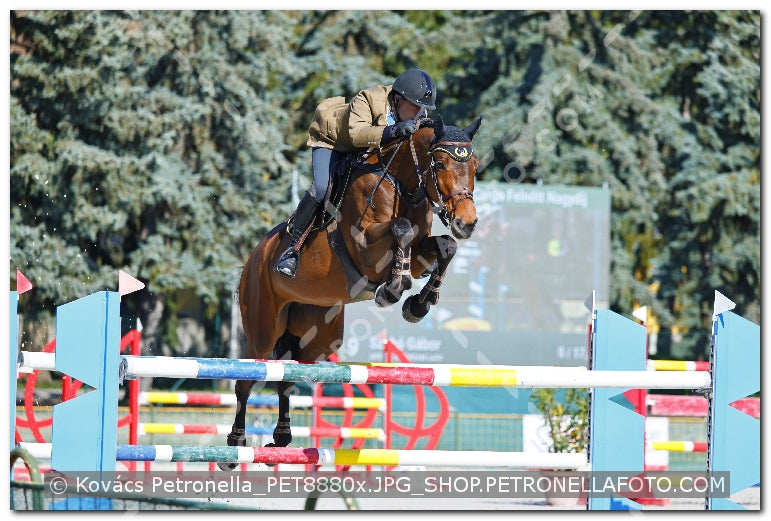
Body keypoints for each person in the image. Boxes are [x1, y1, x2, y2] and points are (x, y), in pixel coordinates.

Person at [274, 68, 438, 278]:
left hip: (368, 149)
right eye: (415, 106)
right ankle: (292, 248)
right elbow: (357, 136)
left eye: (422, 108)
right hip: (334, 142)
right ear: (397, 99)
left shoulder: (417, 113)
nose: (418, 114)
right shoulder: (368, 99)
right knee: (322, 188)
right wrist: (394, 131)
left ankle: (416, 251)